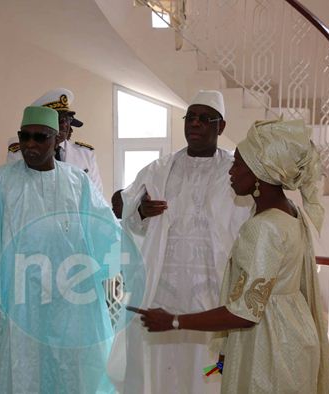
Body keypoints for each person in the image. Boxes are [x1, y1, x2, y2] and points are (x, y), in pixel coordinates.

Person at [139, 119, 329, 394]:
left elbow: (244, 313)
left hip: (269, 349)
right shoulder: (290, 212)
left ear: (259, 173)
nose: (231, 171)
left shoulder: (263, 228)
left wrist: (173, 321)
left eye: (238, 164)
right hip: (293, 338)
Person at [0, 106, 119, 393]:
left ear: (56, 140)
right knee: (23, 369)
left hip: (70, 301)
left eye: (39, 137)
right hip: (18, 301)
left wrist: (136, 219)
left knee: (69, 369)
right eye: (24, 136)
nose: (30, 144)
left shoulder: (78, 182)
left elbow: (107, 229)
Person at [108, 90, 251, 394]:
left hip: (211, 293)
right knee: (159, 370)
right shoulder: (159, 170)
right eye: (190, 117)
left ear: (220, 127)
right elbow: (122, 205)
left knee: (207, 372)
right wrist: (140, 210)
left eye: (204, 118)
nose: (195, 124)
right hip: (163, 290)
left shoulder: (235, 172)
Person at [7, 88, 103, 193]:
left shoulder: (85, 154)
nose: (64, 125)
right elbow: (16, 191)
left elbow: (96, 194)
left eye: (68, 119)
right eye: (58, 119)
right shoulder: (24, 151)